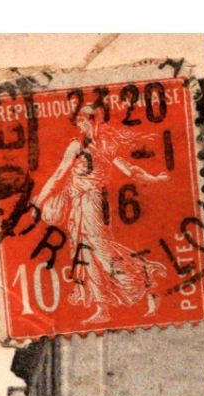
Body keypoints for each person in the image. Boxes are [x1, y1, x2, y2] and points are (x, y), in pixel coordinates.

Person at [32, 103, 170, 324]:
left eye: (83, 122)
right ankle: (102, 307)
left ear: (92, 121)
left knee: (103, 252)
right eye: (79, 123)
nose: (81, 127)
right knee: (85, 254)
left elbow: (127, 168)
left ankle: (146, 282)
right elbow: (60, 175)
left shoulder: (102, 145)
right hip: (79, 203)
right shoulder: (81, 145)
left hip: (92, 202)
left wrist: (153, 179)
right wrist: (40, 201)